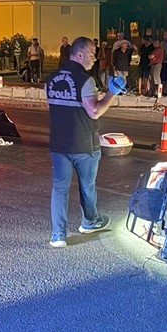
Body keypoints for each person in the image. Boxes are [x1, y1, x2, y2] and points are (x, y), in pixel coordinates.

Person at [45, 36, 122, 248]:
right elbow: (94, 111)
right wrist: (111, 94)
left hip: (59, 144)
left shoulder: (51, 79)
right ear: (79, 54)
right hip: (83, 144)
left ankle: (57, 235)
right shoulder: (85, 80)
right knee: (87, 186)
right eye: (91, 54)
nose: (94, 58)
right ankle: (89, 222)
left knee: (59, 188)